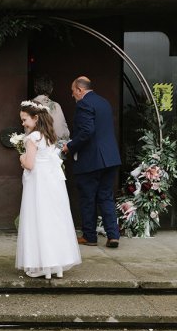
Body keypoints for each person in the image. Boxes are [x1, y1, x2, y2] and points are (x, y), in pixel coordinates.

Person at [16, 100, 82, 279]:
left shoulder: (32, 138)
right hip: (52, 183)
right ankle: (56, 266)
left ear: (36, 118)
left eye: (24, 120)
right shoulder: (49, 136)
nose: (23, 123)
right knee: (54, 220)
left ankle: (41, 266)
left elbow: (29, 164)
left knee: (38, 220)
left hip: (38, 184)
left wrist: (21, 158)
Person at [62, 76, 121, 248]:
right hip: (110, 158)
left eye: (73, 92)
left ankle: (89, 236)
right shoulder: (104, 102)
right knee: (106, 197)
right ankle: (113, 235)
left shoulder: (83, 104)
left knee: (88, 198)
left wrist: (70, 147)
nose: (73, 96)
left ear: (80, 90)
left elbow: (87, 131)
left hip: (91, 159)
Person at [33, 74, 70, 139]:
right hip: (49, 143)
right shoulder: (55, 105)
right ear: (51, 89)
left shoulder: (27, 104)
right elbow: (60, 131)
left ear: (35, 89)